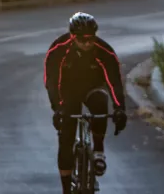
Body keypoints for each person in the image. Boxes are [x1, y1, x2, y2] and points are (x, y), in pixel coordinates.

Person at [44, 12, 128, 193]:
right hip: (67, 91)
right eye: (82, 39)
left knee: (100, 103)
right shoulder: (58, 49)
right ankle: (66, 188)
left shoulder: (104, 51)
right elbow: (51, 81)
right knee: (66, 138)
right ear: (73, 36)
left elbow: (115, 82)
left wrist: (120, 108)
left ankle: (98, 151)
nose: (88, 43)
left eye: (91, 38)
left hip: (93, 87)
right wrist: (57, 108)